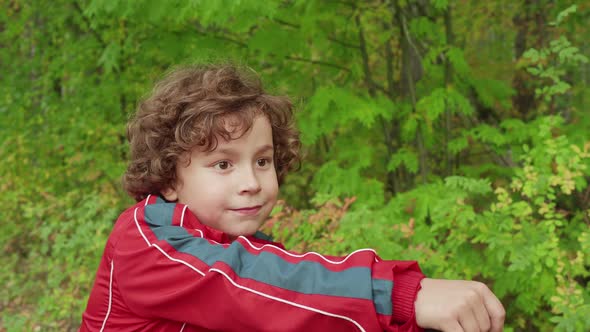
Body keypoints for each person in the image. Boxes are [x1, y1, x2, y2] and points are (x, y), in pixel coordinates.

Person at [80, 64, 505, 332]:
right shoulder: (144, 241)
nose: (252, 182)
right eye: (223, 165)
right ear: (170, 178)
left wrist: (408, 322)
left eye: (262, 161)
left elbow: (304, 313)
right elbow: (251, 283)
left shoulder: (248, 249)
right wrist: (402, 295)